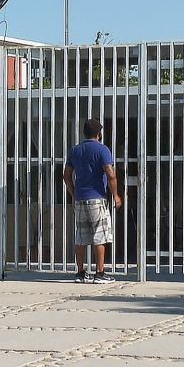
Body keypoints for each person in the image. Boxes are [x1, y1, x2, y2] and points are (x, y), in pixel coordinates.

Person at [63, 119, 122, 284]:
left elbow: (66, 175)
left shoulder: (75, 150)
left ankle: (80, 272)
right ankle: (100, 273)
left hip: (80, 198)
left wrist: (73, 193)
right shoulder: (102, 150)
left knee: (81, 236)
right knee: (100, 236)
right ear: (98, 133)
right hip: (97, 198)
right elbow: (110, 174)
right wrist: (116, 195)